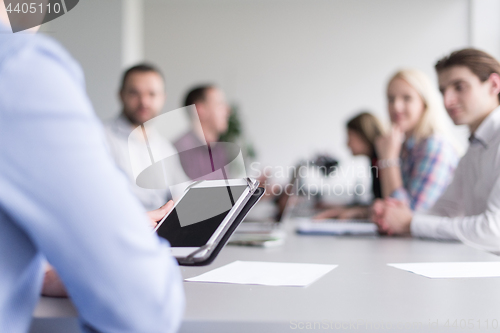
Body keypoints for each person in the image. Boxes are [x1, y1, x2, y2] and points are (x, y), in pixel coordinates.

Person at [0, 5, 183, 333]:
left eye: (152, 94)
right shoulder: (19, 69)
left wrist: (40, 270)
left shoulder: (164, 145)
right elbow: (143, 308)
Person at [372, 48, 500, 254]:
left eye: (459, 87)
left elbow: (495, 232)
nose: (447, 101)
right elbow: (444, 211)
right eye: (442, 91)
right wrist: (392, 215)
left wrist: (409, 223)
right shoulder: (474, 149)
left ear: (494, 85)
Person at [104, 64, 189, 210]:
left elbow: (183, 192)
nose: (144, 101)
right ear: (121, 95)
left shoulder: (165, 147)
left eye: (152, 94)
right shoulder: (100, 138)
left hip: (161, 229)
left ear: (163, 98)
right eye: (134, 93)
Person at [375, 69, 459, 212]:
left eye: (407, 98)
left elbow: (410, 215)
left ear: (425, 104)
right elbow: (390, 205)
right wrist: (362, 211)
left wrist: (388, 159)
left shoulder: (434, 146)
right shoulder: (406, 147)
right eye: (391, 99)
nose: (396, 106)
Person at [315, 112, 385, 219]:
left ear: (363, 135)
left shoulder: (384, 162)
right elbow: (375, 202)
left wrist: (353, 211)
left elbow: (384, 204)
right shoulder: (374, 160)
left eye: (350, 137)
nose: (347, 144)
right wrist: (344, 207)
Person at [174, 85, 231, 180]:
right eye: (220, 104)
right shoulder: (180, 150)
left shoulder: (219, 149)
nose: (227, 111)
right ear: (200, 109)